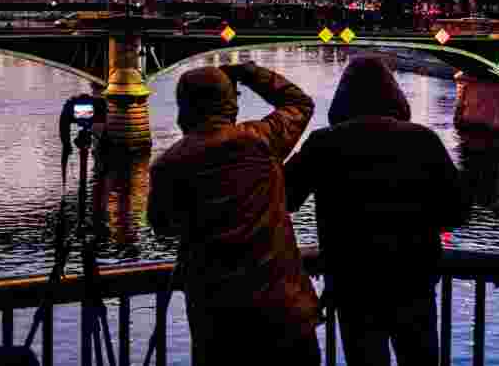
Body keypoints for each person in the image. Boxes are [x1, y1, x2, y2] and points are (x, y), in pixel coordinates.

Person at [284, 55, 469, 366]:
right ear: (394, 95)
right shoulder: (422, 140)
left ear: (342, 99)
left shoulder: (323, 144)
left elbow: (285, 198)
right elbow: (457, 211)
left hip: (352, 284)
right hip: (413, 281)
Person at [147, 61, 321, 365]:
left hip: (219, 322)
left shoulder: (168, 166)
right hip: (285, 314)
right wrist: (249, 72)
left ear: (184, 108)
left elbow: (161, 224)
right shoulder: (262, 140)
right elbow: (299, 102)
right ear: (229, 104)